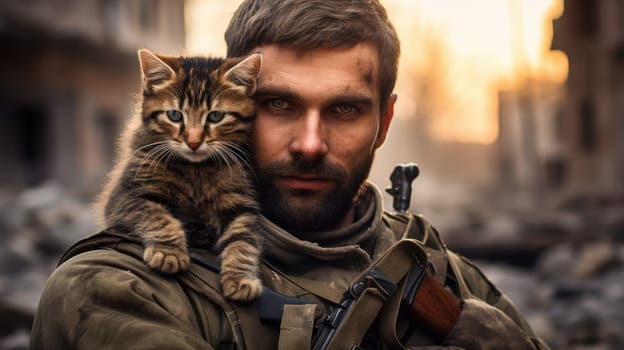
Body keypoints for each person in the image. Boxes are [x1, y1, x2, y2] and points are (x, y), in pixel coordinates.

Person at [30, 0, 550, 349]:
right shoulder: (121, 287)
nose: (309, 144)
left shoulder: (440, 271)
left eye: (345, 110)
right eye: (278, 104)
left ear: (384, 123)